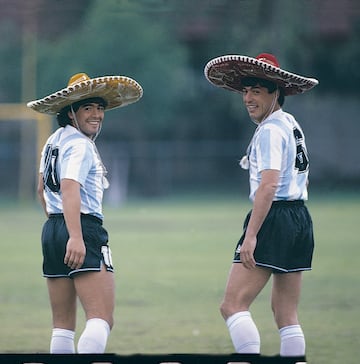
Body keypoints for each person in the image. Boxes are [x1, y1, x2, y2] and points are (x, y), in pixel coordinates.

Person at [204, 53, 318, 359]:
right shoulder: (291, 123)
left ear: (275, 92)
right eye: (245, 90)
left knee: (232, 305)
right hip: (300, 218)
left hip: (275, 217)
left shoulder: (269, 130)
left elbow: (268, 185)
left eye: (256, 90)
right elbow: (302, 178)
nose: (248, 97)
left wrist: (252, 235)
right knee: (285, 314)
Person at [27, 72, 143, 354]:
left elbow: (41, 189)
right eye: (88, 108)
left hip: (53, 229)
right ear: (70, 112)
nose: (97, 114)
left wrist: (59, 228)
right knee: (101, 318)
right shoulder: (80, 144)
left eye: (100, 108)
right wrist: (75, 236)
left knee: (63, 326)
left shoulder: (53, 140)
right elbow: (69, 188)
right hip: (81, 228)